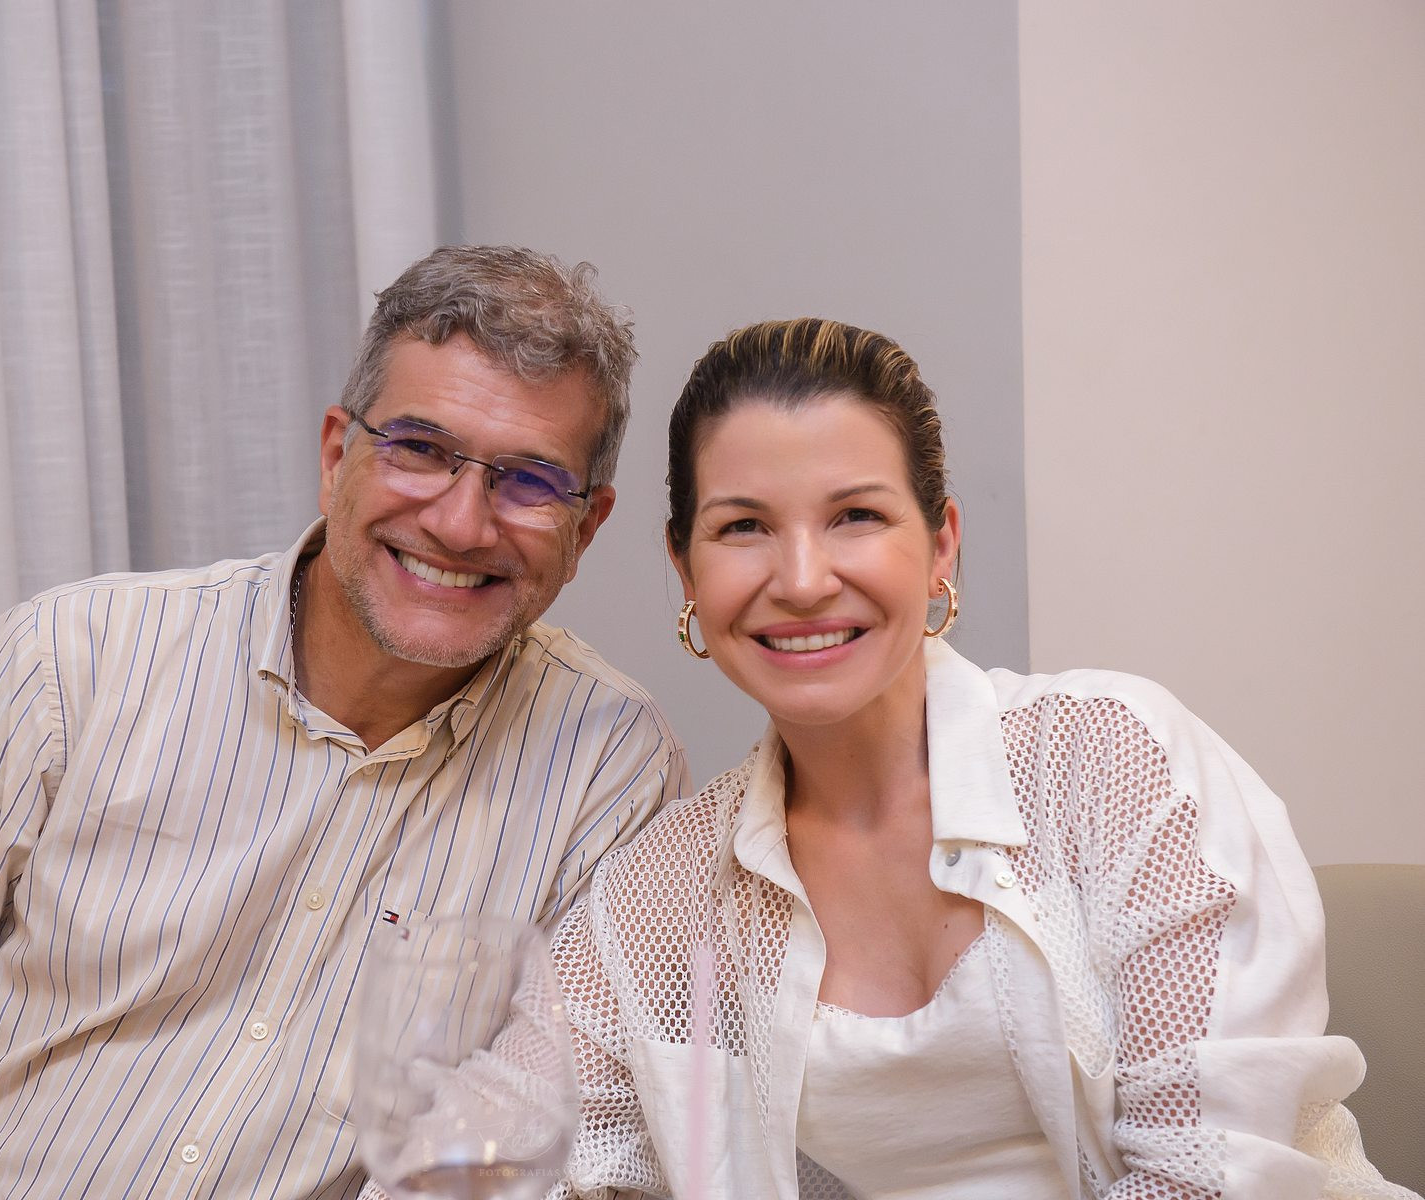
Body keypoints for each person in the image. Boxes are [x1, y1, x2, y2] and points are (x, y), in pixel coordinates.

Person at [0, 245, 688, 1200]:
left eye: (529, 481)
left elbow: (553, 1153)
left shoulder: (609, 767)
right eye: (420, 450)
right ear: (336, 456)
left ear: (585, 528)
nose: (461, 524)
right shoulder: (68, 661)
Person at [548, 319, 1414, 1199]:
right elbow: (547, 1156)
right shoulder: (664, 889)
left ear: (941, 547)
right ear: (686, 570)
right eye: (744, 526)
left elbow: (1211, 1175)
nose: (802, 580)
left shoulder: (1114, 758)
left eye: (856, 516)